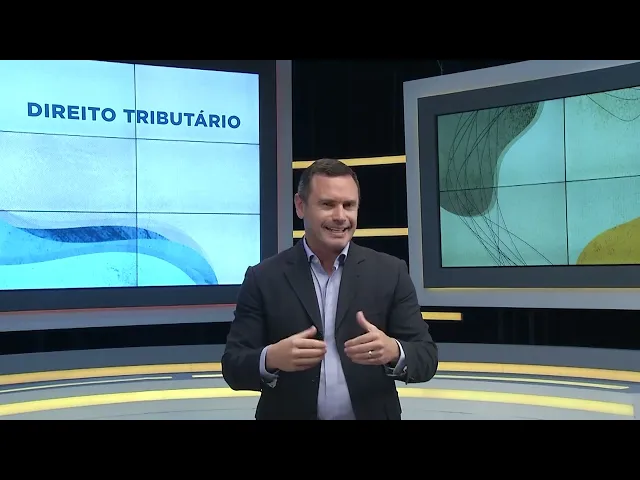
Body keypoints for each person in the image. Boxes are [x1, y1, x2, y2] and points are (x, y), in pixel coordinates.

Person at [222, 158, 438, 420]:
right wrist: (271, 358)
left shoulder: (390, 272)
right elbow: (233, 365)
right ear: (300, 206)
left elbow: (426, 357)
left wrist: (393, 350)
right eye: (327, 204)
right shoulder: (263, 278)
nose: (340, 216)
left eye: (349, 205)